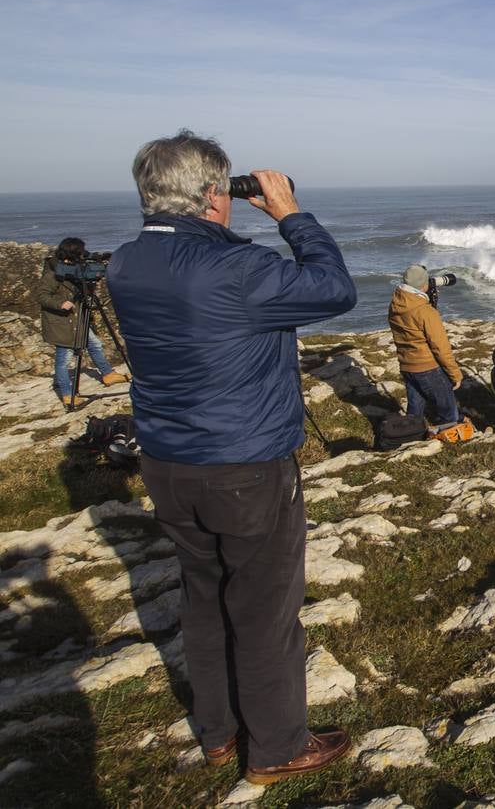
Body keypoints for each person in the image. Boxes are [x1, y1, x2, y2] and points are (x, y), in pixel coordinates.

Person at [107, 130, 357, 785]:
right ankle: (276, 748)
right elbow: (333, 289)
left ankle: (218, 733)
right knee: (264, 610)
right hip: (245, 465)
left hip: (168, 463)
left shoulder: (125, 264)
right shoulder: (239, 271)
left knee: (203, 598)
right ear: (215, 194)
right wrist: (289, 213)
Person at [36, 236, 130, 408]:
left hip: (77, 318)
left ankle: (108, 374)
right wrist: (60, 303)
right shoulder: (53, 272)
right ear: (72, 254)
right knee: (63, 359)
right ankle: (67, 394)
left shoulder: (73, 269)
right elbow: (42, 295)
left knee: (94, 344)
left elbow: (82, 289)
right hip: (62, 323)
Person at [388, 265, 463, 429]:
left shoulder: (396, 304)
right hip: (427, 367)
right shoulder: (425, 312)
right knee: (449, 412)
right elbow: (440, 347)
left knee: (415, 410)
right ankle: (451, 443)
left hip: (407, 365)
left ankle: (410, 435)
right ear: (424, 285)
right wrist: (455, 373)